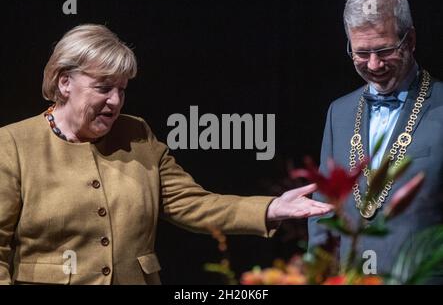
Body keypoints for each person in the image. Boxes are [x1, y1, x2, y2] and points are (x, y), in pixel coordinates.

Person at [0, 24, 333, 285]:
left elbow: (192, 204)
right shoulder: (13, 144)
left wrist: (272, 207)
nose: (115, 101)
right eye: (103, 88)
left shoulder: (137, 134)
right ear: (64, 82)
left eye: (122, 89)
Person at [308, 0, 443, 282]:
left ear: (410, 40)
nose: (374, 65)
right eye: (361, 53)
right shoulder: (338, 113)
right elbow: (324, 212)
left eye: (384, 50)